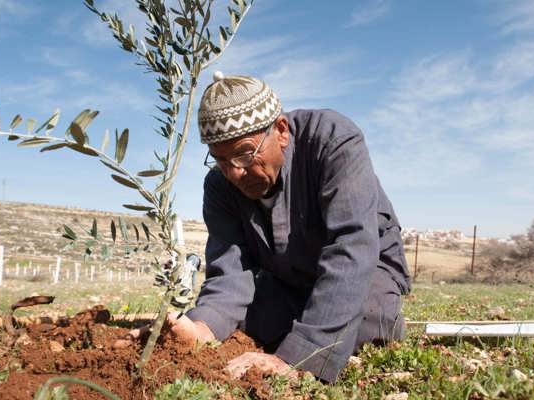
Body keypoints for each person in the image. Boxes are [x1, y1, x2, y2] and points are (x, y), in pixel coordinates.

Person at [132, 72, 411, 383]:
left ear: (280, 131)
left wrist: (296, 359)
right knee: (243, 323)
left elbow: (353, 246)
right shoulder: (218, 186)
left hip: (367, 272)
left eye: (245, 153)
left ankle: (322, 337)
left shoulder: (334, 141)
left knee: (372, 316)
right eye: (221, 160)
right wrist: (199, 329)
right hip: (288, 282)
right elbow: (230, 274)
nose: (235, 173)